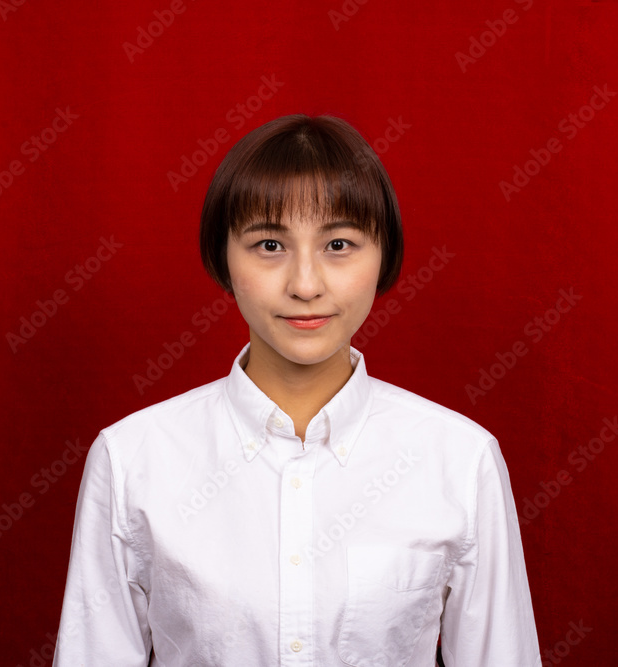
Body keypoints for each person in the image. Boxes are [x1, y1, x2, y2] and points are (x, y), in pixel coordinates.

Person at [52, 113, 541, 666]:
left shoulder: (461, 460)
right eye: (269, 244)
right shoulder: (132, 459)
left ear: (384, 255)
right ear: (222, 257)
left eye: (339, 243)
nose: (306, 285)